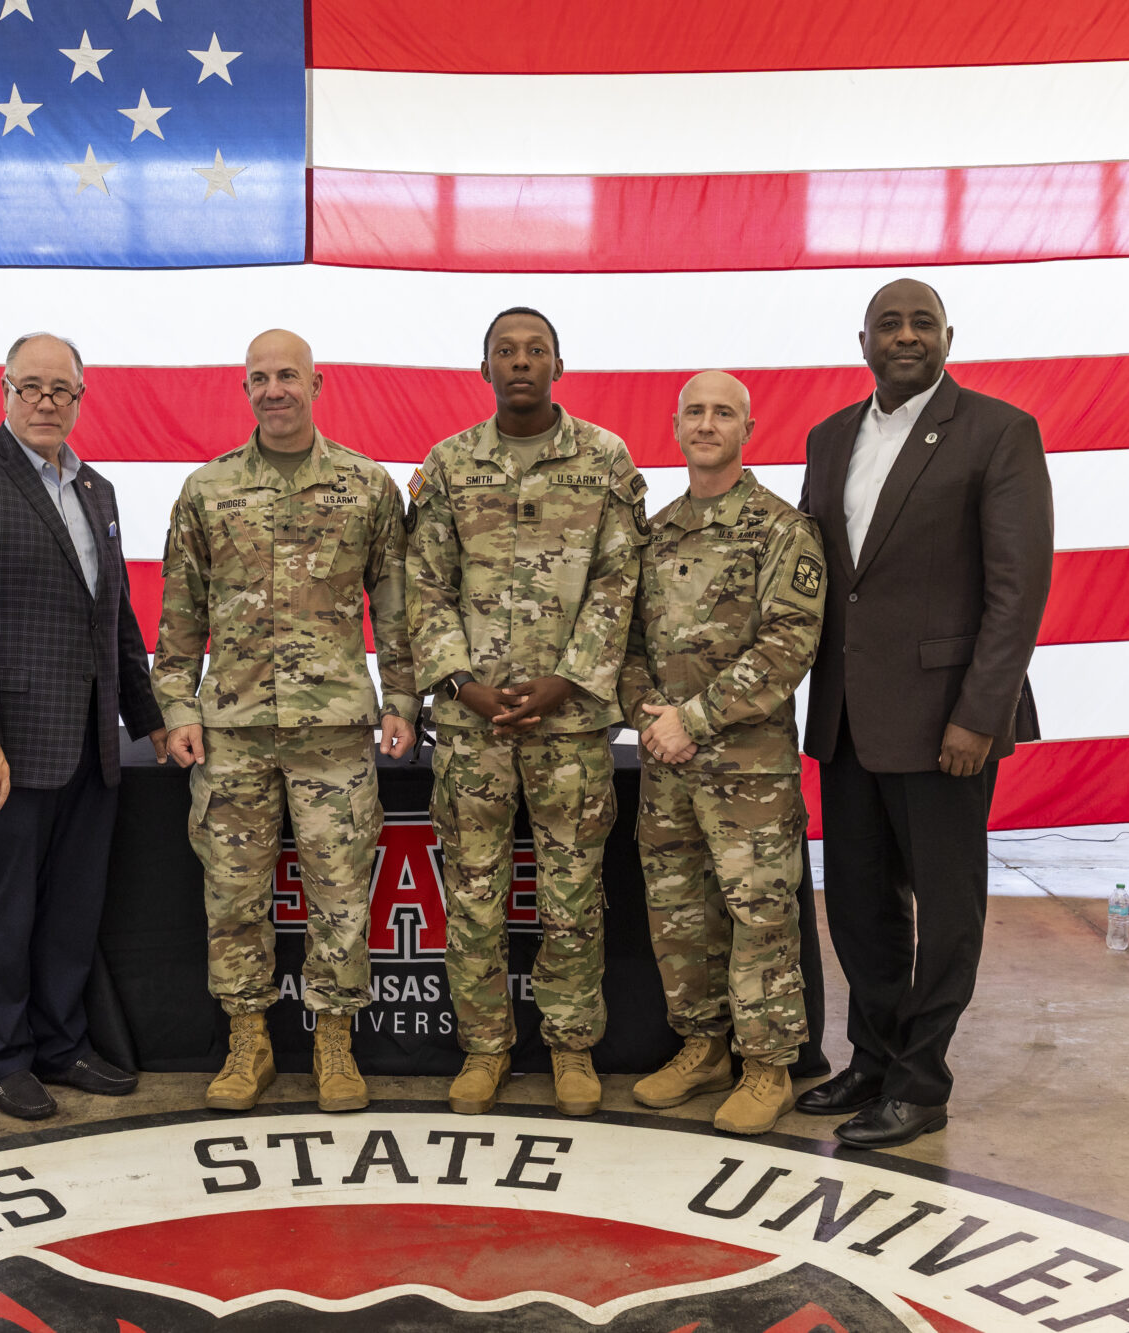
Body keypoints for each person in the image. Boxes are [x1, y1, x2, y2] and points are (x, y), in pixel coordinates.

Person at [796, 279, 1054, 1148]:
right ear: (862, 340)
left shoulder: (998, 431)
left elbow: (1016, 591)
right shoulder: (829, 439)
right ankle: (871, 1058)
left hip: (947, 720)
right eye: (888, 324)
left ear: (948, 335)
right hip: (846, 718)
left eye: (921, 323)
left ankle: (921, 1079)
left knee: (946, 910)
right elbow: (818, 579)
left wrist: (980, 711)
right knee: (860, 907)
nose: (905, 336)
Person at [154, 329, 418, 1115]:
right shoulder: (207, 491)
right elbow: (179, 617)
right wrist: (176, 704)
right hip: (232, 728)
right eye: (260, 378)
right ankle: (250, 1043)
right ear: (245, 389)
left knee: (339, 892)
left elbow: (395, 609)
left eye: (288, 376)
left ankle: (334, 1044)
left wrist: (402, 699)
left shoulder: (367, 488)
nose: (274, 389)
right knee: (235, 895)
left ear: (317, 383)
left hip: (333, 732)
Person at [0, 332, 169, 1121]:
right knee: (6, 911)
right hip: (5, 752)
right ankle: (2, 1057)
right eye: (32, 386)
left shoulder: (96, 490)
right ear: (5, 391)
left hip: (89, 747)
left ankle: (61, 1043)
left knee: (70, 911)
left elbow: (115, 621)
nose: (48, 401)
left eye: (63, 389)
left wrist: (151, 721)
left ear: (81, 397)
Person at [406, 306, 648, 1117]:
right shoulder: (447, 465)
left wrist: (569, 680)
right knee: (474, 893)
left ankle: (571, 1047)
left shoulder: (605, 459)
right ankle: (485, 1048)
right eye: (505, 351)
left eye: (534, 350)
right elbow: (425, 584)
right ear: (484, 370)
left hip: (569, 725)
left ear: (557, 364)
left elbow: (620, 582)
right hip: (473, 726)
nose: (520, 362)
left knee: (572, 894)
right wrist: (459, 681)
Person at [620, 371, 827, 1136]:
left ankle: (767, 1065)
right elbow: (629, 639)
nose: (708, 423)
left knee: (759, 915)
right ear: (675, 425)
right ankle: (703, 1046)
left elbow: (788, 643)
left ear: (747, 427)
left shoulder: (780, 528)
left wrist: (692, 718)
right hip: (667, 767)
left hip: (749, 773)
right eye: (696, 411)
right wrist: (646, 710)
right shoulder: (657, 530)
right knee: (679, 915)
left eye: (724, 412)